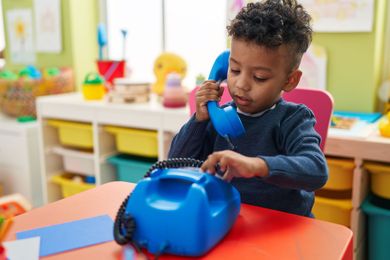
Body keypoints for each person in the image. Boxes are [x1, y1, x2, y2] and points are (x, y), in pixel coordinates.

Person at [168, 0, 328, 217]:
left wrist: (257, 166)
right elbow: (175, 162)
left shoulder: (294, 119)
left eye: (259, 77)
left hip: (282, 228)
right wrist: (199, 120)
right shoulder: (219, 119)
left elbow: (316, 170)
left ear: (290, 80)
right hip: (228, 220)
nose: (241, 84)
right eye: (234, 70)